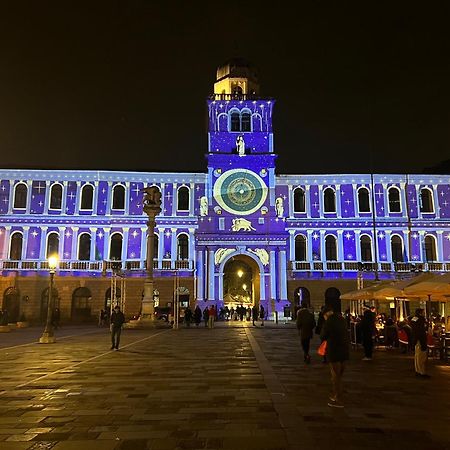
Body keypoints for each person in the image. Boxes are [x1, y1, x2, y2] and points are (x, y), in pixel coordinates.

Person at [321, 305, 350, 408]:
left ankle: (338, 399)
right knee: (339, 375)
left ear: (326, 314)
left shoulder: (329, 322)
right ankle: (336, 395)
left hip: (334, 351)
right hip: (344, 351)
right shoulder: (342, 320)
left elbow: (323, 336)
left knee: (335, 376)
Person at [411, 308, 430, 378]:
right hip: (420, 340)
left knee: (417, 356)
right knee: (421, 357)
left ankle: (418, 371)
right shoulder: (421, 320)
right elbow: (421, 331)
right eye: (423, 312)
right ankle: (422, 372)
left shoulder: (413, 319)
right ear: (420, 313)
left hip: (415, 340)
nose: (424, 313)